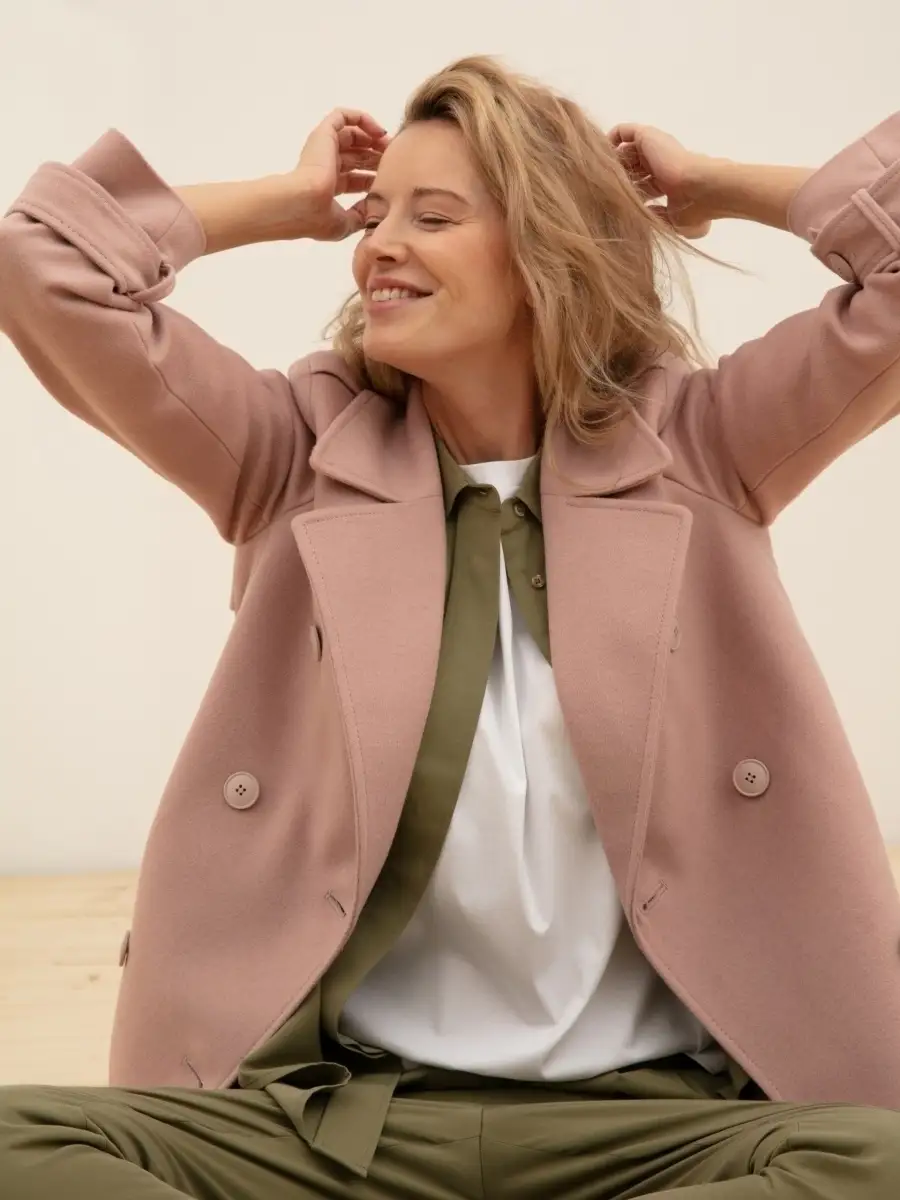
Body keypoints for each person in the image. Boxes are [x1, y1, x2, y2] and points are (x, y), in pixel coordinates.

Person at [0, 50, 899, 1199]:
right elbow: (42, 265)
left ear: (548, 252)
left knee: (874, 1159)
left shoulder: (703, 445)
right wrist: (288, 203)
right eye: (372, 215)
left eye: (432, 216)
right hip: (339, 1122)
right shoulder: (293, 458)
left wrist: (714, 183)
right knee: (22, 1142)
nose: (379, 243)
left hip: (661, 1128)